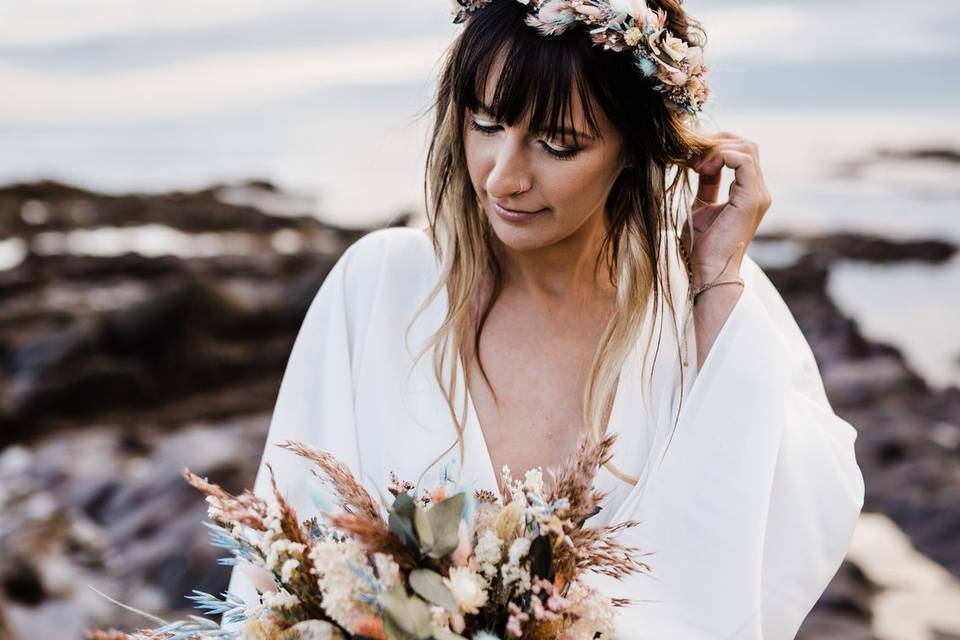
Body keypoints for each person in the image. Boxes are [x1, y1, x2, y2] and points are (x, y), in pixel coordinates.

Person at [226, 0, 866, 637]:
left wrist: (717, 281)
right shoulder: (380, 286)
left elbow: (786, 516)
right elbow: (271, 574)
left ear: (633, 148)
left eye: (558, 144)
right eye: (485, 123)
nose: (504, 178)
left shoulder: (699, 304)